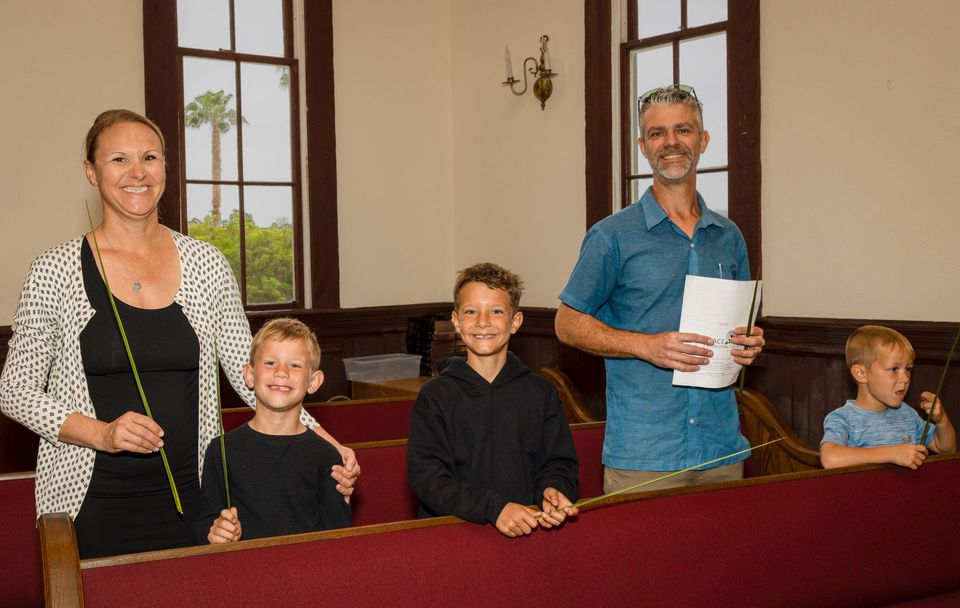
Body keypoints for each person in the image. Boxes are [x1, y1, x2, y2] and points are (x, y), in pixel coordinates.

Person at [0, 109, 358, 558]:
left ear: (166, 167)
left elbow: (258, 377)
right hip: (92, 502)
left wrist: (327, 445)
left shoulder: (206, 263)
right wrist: (102, 435)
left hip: (198, 500)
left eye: (150, 157)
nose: (137, 172)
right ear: (90, 171)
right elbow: (15, 391)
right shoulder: (55, 270)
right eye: (118, 160)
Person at [555, 85, 766, 494]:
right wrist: (645, 346)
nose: (671, 142)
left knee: (722, 560)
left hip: (721, 449)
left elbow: (739, 326)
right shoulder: (611, 236)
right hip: (644, 453)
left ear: (702, 141)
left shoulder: (729, 236)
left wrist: (749, 342)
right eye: (657, 134)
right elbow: (566, 323)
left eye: (683, 130)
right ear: (642, 146)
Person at [407, 263, 579, 538]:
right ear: (456, 321)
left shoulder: (540, 393)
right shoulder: (435, 396)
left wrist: (553, 489)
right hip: (454, 536)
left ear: (515, 322)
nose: (483, 321)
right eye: (471, 311)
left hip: (527, 532)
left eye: (496, 311)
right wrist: (494, 508)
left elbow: (559, 463)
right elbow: (429, 479)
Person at [199, 318, 350, 543]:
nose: (281, 372)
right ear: (249, 375)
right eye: (270, 362)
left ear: (313, 381)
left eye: (295, 365)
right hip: (242, 570)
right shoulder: (221, 450)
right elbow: (204, 522)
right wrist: (216, 532)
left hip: (307, 570)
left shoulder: (326, 456)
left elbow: (338, 537)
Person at [820, 325, 956, 469]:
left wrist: (941, 421)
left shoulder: (907, 414)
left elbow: (946, 449)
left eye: (908, 369)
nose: (905, 378)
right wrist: (892, 453)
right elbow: (830, 458)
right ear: (861, 373)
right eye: (894, 369)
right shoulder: (844, 418)